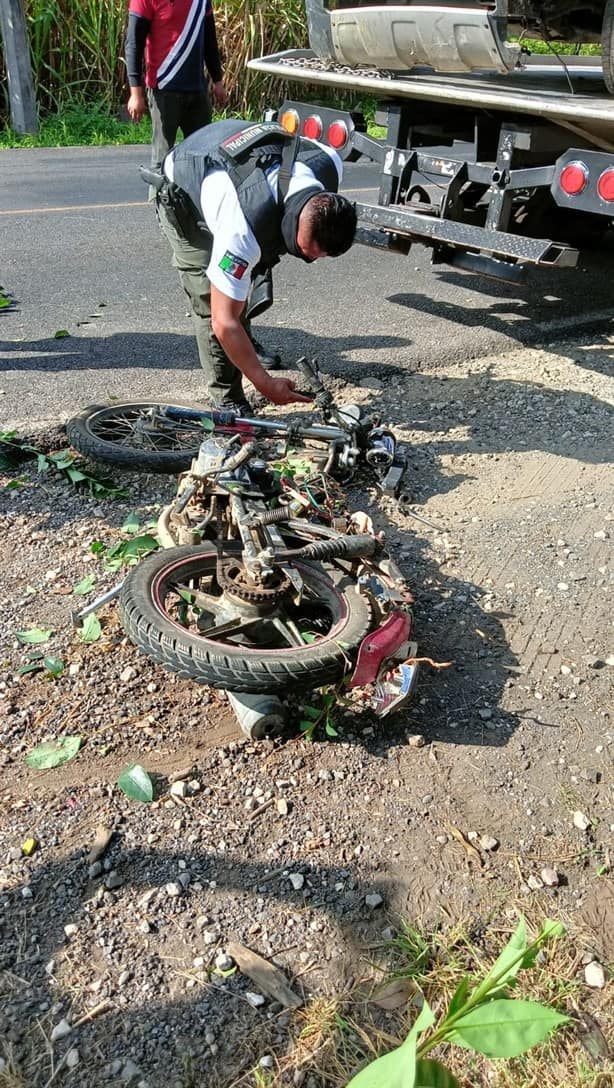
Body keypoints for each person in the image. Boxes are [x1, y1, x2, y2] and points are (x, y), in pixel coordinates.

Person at [151, 118, 357, 411]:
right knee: (212, 301)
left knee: (241, 283)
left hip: (235, 165)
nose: (311, 260)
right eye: (306, 251)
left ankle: (243, 348)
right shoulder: (241, 228)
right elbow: (223, 322)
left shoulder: (329, 164)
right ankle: (228, 402)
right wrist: (264, 383)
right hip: (185, 189)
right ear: (292, 220)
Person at [125, 0, 228, 173]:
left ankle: (196, 200)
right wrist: (136, 94)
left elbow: (210, 39)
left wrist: (217, 80)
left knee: (202, 157)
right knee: (162, 160)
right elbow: (134, 44)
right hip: (164, 91)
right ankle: (159, 200)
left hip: (197, 90)